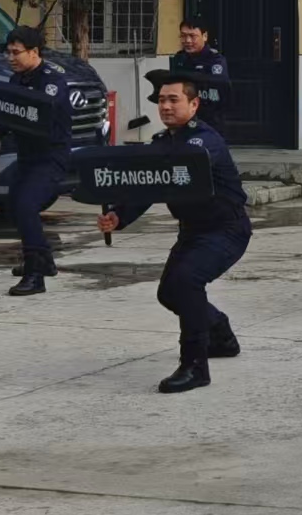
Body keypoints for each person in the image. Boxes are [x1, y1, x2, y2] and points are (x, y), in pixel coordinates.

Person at [97, 71, 249, 393]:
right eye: (161, 100)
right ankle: (220, 333)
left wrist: (146, 159)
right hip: (192, 231)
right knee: (169, 293)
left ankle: (195, 366)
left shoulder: (205, 140)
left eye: (173, 100)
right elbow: (148, 187)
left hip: (226, 229)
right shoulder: (162, 143)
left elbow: (189, 160)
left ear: (194, 105)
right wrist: (118, 216)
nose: (165, 106)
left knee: (185, 283)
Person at [0, 25, 90, 298]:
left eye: (16, 53)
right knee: (14, 206)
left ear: (34, 52)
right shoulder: (17, 80)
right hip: (27, 157)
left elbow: (38, 114)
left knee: (26, 205)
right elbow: (11, 113)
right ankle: (44, 259)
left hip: (50, 157)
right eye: (8, 52)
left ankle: (35, 275)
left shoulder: (52, 82)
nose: (10, 58)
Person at [168, 19, 228, 127]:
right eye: (183, 36)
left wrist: (189, 76)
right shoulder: (179, 58)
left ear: (204, 36)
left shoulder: (215, 59)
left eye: (192, 36)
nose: (187, 40)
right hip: (184, 117)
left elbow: (220, 82)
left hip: (210, 118)